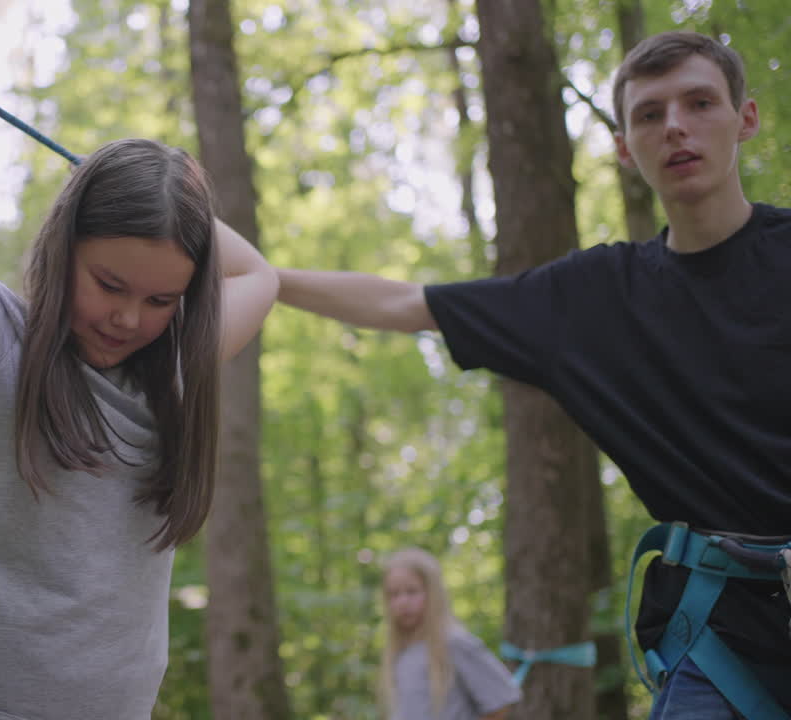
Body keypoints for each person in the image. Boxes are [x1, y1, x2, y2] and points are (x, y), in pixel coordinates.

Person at [276, 30, 790, 717]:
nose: (675, 126)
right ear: (623, 147)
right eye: (649, 114)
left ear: (745, 119)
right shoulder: (595, 298)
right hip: (718, 641)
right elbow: (406, 303)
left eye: (699, 103)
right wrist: (265, 278)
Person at [0, 41, 278, 720]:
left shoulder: (173, 371)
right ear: (64, 245)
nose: (129, 317)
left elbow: (259, 274)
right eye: (109, 283)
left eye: (161, 299)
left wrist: (164, 191)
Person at [381, 548, 519, 720]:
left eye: (412, 591)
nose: (402, 602)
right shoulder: (401, 651)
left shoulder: (454, 642)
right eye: (394, 594)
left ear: (433, 593)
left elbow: (501, 703)